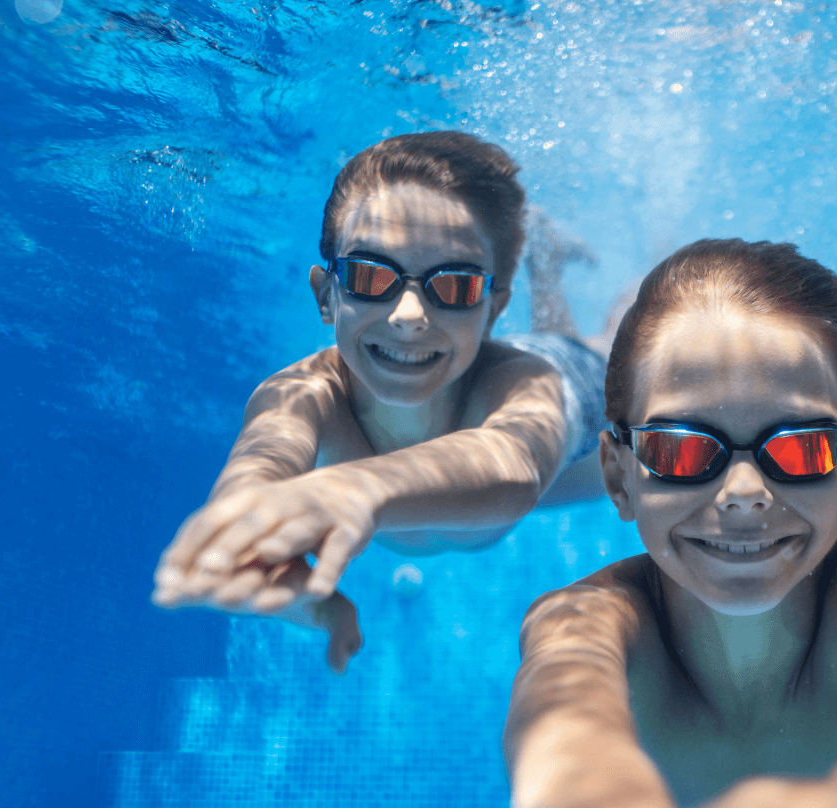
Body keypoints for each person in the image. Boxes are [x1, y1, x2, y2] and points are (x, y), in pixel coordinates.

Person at [501, 240, 837, 808]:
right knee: (585, 370)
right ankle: (554, 265)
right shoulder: (582, 619)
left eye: (802, 447)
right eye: (681, 449)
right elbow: (560, 719)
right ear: (619, 479)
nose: (743, 494)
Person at [151, 131, 610, 671]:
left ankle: (556, 259)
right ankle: (546, 258)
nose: (409, 315)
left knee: (618, 344)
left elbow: (515, 465)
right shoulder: (301, 395)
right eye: (370, 275)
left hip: (578, 410)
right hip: (475, 494)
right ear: (327, 295)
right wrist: (254, 551)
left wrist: (358, 487)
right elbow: (255, 480)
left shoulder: (522, 384)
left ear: (491, 308)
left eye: (455, 285)